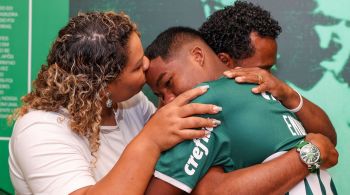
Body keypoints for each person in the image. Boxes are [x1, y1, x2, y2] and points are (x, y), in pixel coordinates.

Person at [8, 12, 220, 194]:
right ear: (102, 89)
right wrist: (150, 141)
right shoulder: (39, 129)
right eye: (137, 67)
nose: (147, 64)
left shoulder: (132, 103)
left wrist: (250, 77)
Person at [144, 26, 338, 194]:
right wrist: (312, 152)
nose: (168, 100)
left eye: (169, 83)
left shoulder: (206, 102)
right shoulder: (214, 101)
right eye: (159, 95)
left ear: (198, 56)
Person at [198, 1, 337, 145]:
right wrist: (306, 156)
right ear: (225, 61)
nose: (269, 76)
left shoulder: (272, 90)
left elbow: (329, 139)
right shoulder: (204, 107)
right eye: (263, 69)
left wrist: (288, 93)